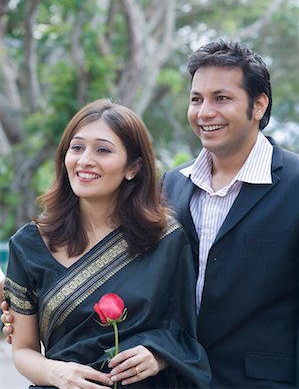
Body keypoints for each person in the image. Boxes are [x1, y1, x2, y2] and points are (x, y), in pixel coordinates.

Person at [1, 99, 211, 389]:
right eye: (77, 148)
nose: (85, 159)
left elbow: (186, 334)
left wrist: (158, 357)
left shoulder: (167, 239)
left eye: (103, 149)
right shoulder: (30, 244)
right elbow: (23, 349)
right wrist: (57, 373)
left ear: (133, 167)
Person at [161, 39, 299, 388]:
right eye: (196, 99)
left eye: (221, 98)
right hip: (177, 379)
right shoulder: (171, 185)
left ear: (258, 106)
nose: (204, 112)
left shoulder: (295, 183)